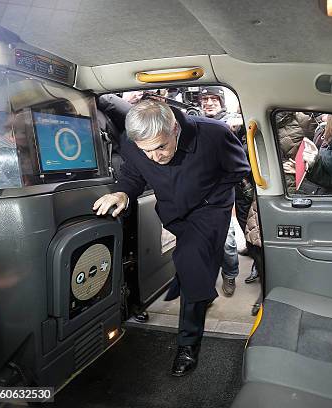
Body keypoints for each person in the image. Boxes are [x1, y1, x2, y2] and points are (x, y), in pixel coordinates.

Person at [92, 99, 250, 376]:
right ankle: (199, 287)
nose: (155, 157)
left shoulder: (213, 133)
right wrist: (122, 193)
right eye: (147, 151)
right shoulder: (133, 144)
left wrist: (208, 199)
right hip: (174, 212)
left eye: (161, 147)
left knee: (190, 263)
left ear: (175, 128)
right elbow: (132, 175)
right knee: (194, 265)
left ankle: (188, 345)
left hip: (210, 209)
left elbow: (238, 170)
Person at [198, 86, 245, 296]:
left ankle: (230, 274)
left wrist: (239, 126)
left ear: (221, 101)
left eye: (213, 99)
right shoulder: (193, 122)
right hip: (197, 192)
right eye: (204, 99)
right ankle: (205, 284)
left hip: (221, 193)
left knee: (226, 240)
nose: (208, 103)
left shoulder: (230, 121)